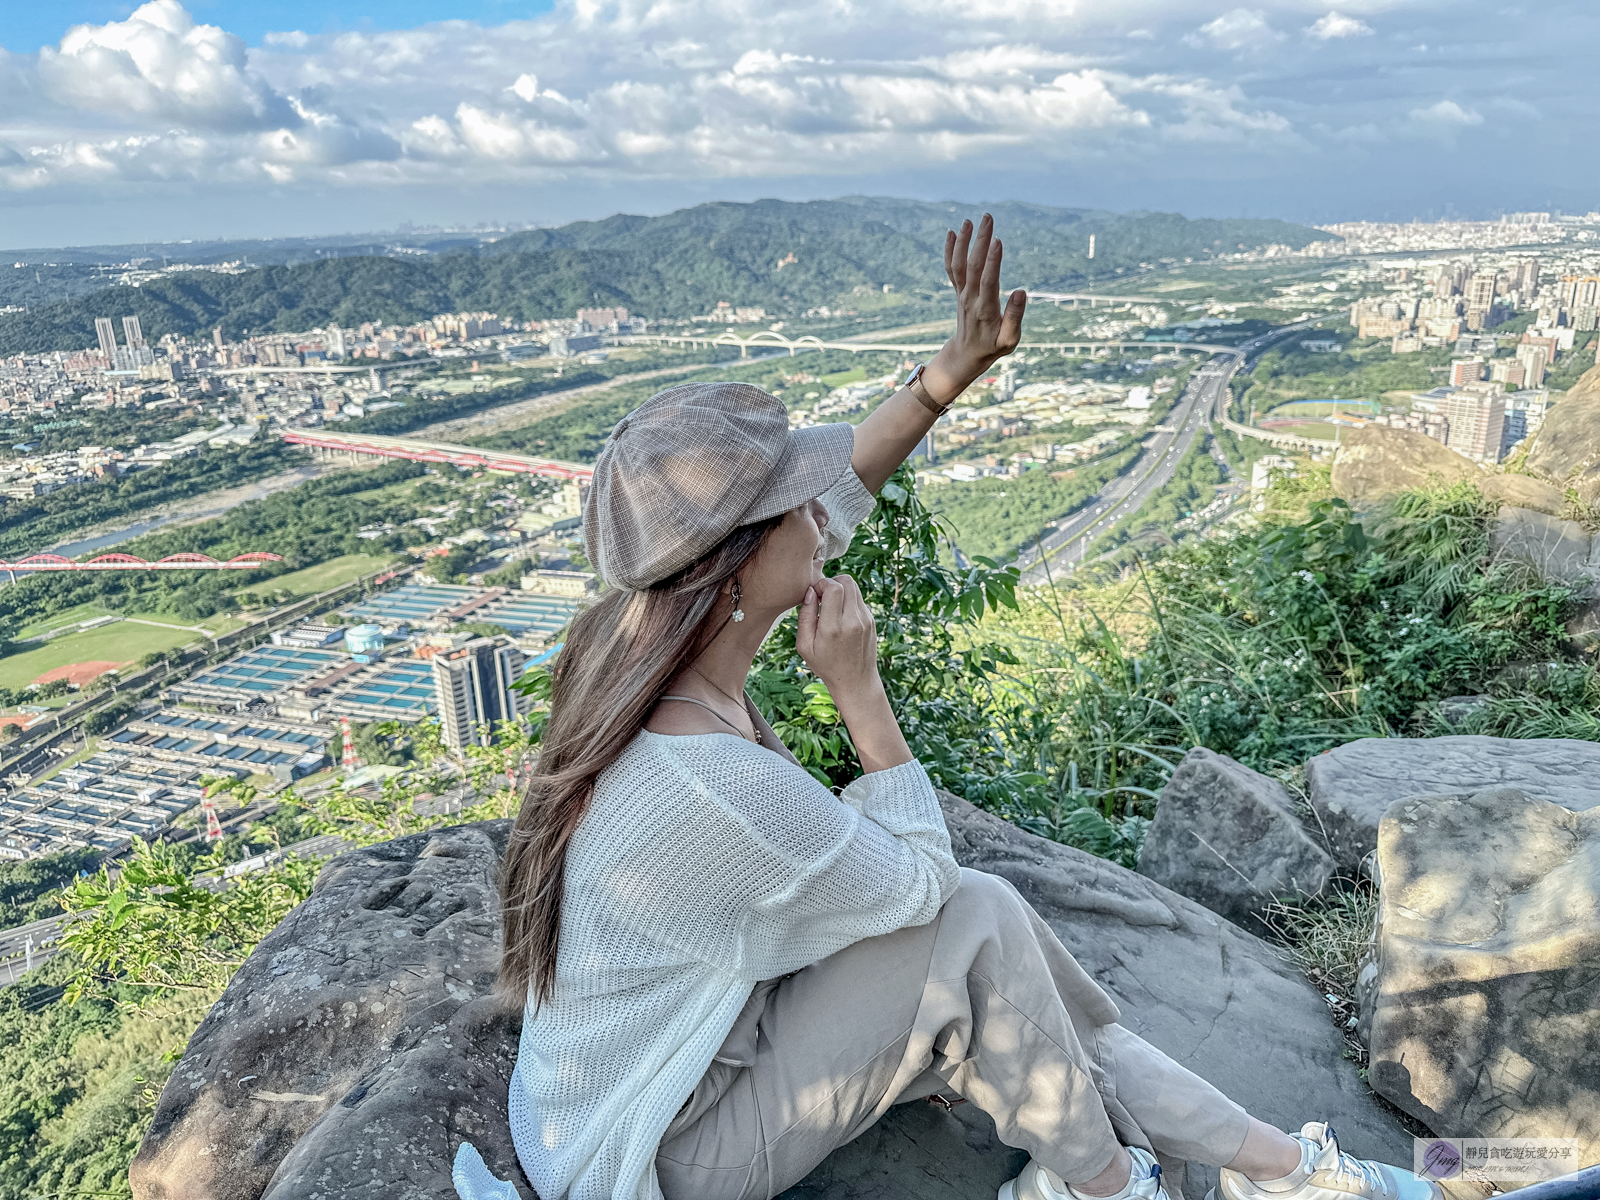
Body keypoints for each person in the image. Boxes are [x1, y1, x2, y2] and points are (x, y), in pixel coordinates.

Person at [452, 215, 1441, 1200]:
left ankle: (1270, 1167)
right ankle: (1123, 1186)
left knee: (997, 927)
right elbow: (924, 886)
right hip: (654, 1150)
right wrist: (859, 692)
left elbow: (843, 489)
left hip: (700, 1051)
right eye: (795, 501)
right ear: (739, 566)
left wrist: (949, 372)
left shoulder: (636, 640)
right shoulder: (712, 782)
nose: (822, 510)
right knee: (970, 916)